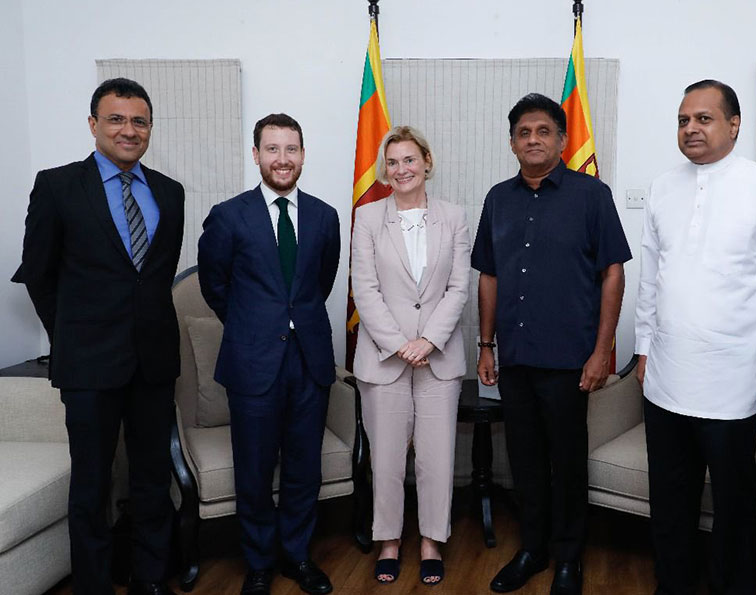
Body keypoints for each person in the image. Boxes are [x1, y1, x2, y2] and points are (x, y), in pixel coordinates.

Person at [12, 78, 184, 595]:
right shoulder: (58, 186)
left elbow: (154, 279)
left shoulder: (170, 192)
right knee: (91, 484)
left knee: (152, 478)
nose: (128, 130)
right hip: (88, 365)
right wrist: (68, 337)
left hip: (153, 362)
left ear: (149, 128)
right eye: (116, 119)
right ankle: (93, 585)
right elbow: (38, 274)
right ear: (93, 124)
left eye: (139, 121)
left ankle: (150, 577)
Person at [635, 79, 756, 595]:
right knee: (670, 497)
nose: (691, 128)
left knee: (734, 503)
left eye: (703, 119)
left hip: (734, 381)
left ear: (734, 124)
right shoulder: (663, 186)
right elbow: (650, 277)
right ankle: (674, 584)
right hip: (666, 377)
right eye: (683, 120)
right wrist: (643, 348)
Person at [472, 93, 631, 595]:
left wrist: (601, 352)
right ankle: (532, 549)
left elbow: (612, 273)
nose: (533, 139)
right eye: (524, 132)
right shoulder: (498, 198)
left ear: (562, 140)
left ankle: (568, 557)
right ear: (512, 143)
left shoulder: (592, 195)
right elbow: (489, 275)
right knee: (523, 460)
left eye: (543, 131)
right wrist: (486, 345)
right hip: (515, 356)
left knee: (566, 460)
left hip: (569, 360)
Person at [197, 113, 340, 595]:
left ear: (303, 155)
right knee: (255, 469)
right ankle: (258, 562)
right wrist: (254, 326)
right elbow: (215, 286)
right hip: (252, 361)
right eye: (273, 149)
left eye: (291, 149)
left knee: (304, 467)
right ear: (256, 155)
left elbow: (320, 283)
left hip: (310, 360)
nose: (283, 159)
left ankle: (297, 556)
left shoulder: (325, 216)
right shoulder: (228, 216)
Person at [351, 125, 470, 586]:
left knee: (436, 458)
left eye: (409, 159)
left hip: (438, 358)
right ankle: (389, 541)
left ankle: (431, 541)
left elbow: (459, 287)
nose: (401, 169)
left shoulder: (454, 216)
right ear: (385, 170)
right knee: (386, 459)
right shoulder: (367, 217)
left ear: (427, 162)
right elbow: (365, 288)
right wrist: (400, 343)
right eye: (393, 162)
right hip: (384, 358)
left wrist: (428, 340)